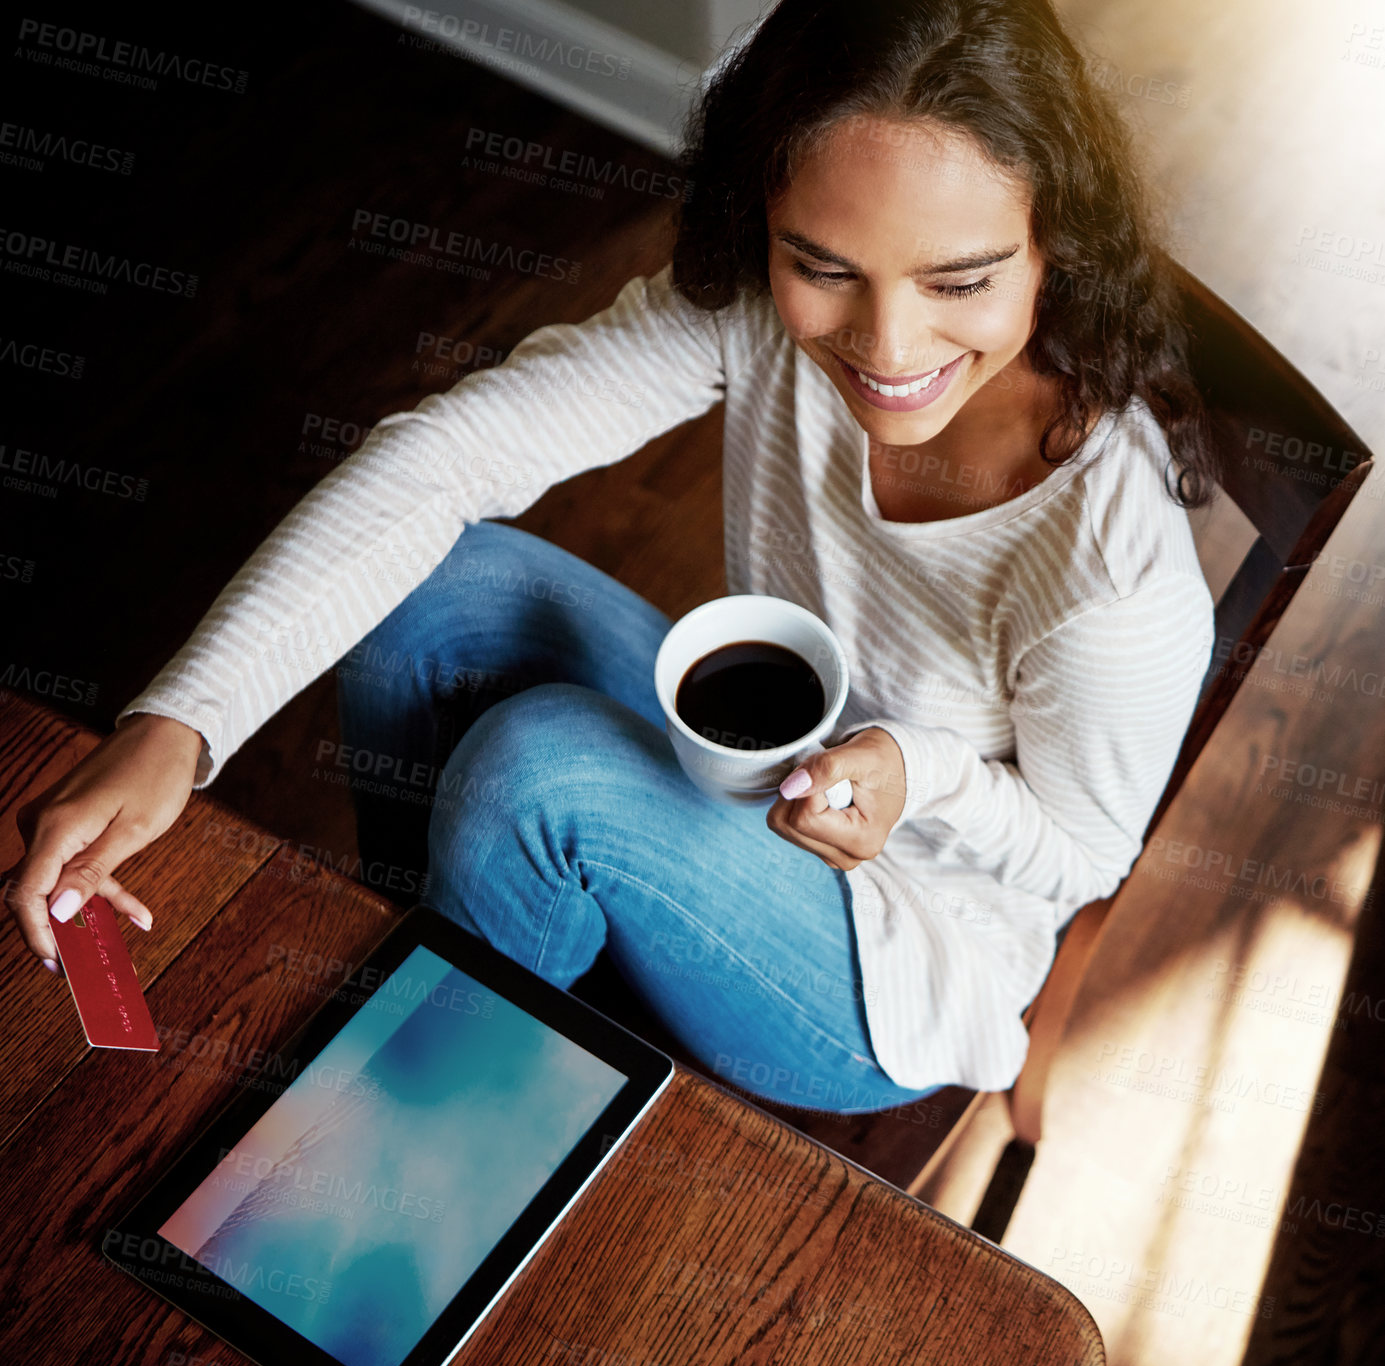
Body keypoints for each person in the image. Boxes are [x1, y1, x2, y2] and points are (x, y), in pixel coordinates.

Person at [6, 0, 1216, 1112]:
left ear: (1057, 240)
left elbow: (1080, 855)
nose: (886, 348)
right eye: (822, 267)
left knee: (541, 778)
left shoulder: (1114, 569)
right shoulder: (752, 306)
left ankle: (426, 1115)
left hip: (907, 945)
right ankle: (447, 952)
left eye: (958, 280)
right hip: (756, 769)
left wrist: (918, 769)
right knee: (431, 584)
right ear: (765, 225)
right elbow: (447, 458)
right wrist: (178, 723)